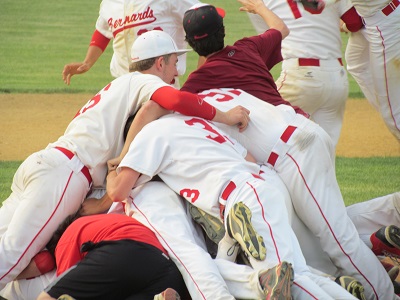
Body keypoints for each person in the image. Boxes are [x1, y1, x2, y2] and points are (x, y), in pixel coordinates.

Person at [0, 30, 250, 291]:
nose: (177, 72)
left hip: (45, 162)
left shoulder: (115, 89)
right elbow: (174, 99)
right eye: (175, 63)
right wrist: (225, 116)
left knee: (8, 249)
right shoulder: (142, 82)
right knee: (12, 257)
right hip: (65, 174)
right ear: (159, 63)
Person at [179, 2, 396, 298]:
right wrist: (259, 8)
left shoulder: (195, 86)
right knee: (316, 226)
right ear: (223, 31)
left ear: (190, 44)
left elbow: (170, 104)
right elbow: (280, 28)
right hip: (304, 133)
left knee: (335, 237)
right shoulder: (246, 49)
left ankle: (383, 294)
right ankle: (378, 237)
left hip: (292, 150)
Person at [105, 107, 371, 299]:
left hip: (243, 200)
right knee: (299, 273)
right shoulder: (191, 123)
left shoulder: (148, 135)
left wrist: (113, 169)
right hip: (262, 189)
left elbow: (118, 191)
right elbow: (251, 158)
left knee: (291, 283)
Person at [247, 0, 363, 148]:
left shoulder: (264, 2)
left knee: (258, 128)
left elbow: (271, 38)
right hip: (337, 78)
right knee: (325, 150)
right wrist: (341, 25)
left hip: (300, 78)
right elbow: (355, 23)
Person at [36, 213, 186, 300]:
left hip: (125, 253)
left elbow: (65, 292)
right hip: (166, 271)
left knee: (48, 298)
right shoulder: (111, 220)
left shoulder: (66, 238)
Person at [62, 0, 204, 87]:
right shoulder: (109, 3)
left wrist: (202, 71)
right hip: (124, 85)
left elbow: (206, 17)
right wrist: (87, 62)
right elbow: (103, 31)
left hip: (162, 84)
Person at [344, 0, 400, 141]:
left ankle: (390, 105)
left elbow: (352, 23)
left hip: (385, 24)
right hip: (378, 16)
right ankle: (388, 103)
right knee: (356, 62)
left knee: (393, 115)